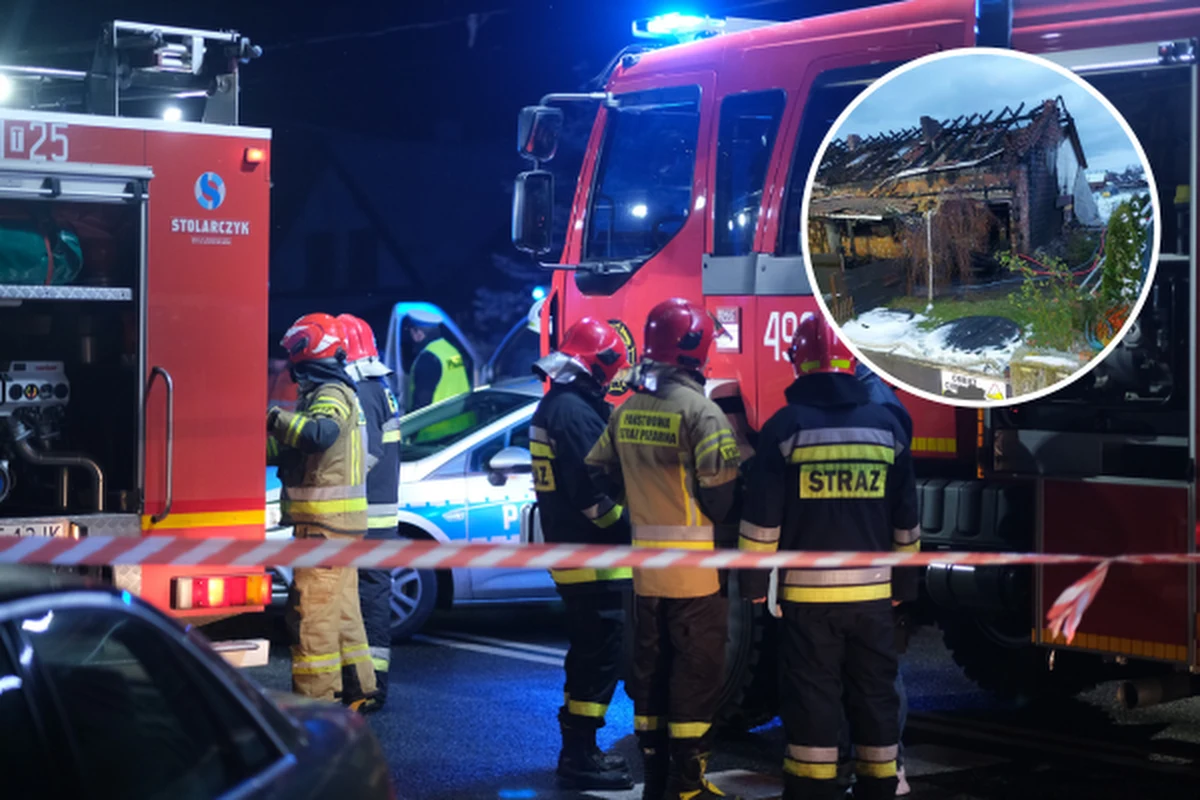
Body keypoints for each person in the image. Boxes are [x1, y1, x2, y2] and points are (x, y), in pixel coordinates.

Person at [738, 311, 920, 800]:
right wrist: (904, 586)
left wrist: (754, 588)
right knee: (875, 692)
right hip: (874, 596)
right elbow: (906, 518)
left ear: (799, 363)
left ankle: (813, 789)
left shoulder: (784, 427)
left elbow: (762, 523)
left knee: (812, 694)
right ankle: (881, 784)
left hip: (809, 598)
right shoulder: (888, 426)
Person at [586, 298, 744, 800]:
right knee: (695, 679)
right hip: (696, 578)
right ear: (696, 350)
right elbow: (720, 501)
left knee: (650, 677)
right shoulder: (703, 413)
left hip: (646, 575)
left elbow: (596, 470)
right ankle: (688, 786)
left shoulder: (627, 410)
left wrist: (626, 513)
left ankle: (655, 781)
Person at [530, 317, 635, 791]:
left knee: (593, 651)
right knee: (598, 654)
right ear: (598, 366)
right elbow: (592, 494)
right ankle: (580, 754)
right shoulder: (572, 412)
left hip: (577, 551)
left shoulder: (560, 405)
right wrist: (631, 532)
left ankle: (580, 749)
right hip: (592, 555)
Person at [267, 313, 377, 710]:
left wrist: (272, 418)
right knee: (342, 613)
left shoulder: (329, 392)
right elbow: (303, 447)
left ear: (304, 351)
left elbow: (317, 435)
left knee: (312, 617)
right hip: (338, 528)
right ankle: (356, 691)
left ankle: (315, 707)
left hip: (323, 527)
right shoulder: (340, 390)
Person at [850, 361, 915, 796]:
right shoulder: (879, 403)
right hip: (870, 568)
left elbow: (897, 503)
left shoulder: (872, 407)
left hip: (863, 569)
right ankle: (885, 768)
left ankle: (891, 767)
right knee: (874, 672)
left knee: (875, 674)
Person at [338, 313, 402, 708]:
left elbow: (367, 454)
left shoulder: (361, 390)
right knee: (371, 595)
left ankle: (369, 684)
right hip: (380, 511)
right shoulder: (379, 386)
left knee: (366, 598)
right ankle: (370, 680)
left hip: (365, 513)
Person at [400, 308, 470, 413]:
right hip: (462, 420)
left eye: (411, 332)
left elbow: (422, 404)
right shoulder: (451, 350)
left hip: (437, 427)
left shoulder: (428, 358)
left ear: (419, 334)